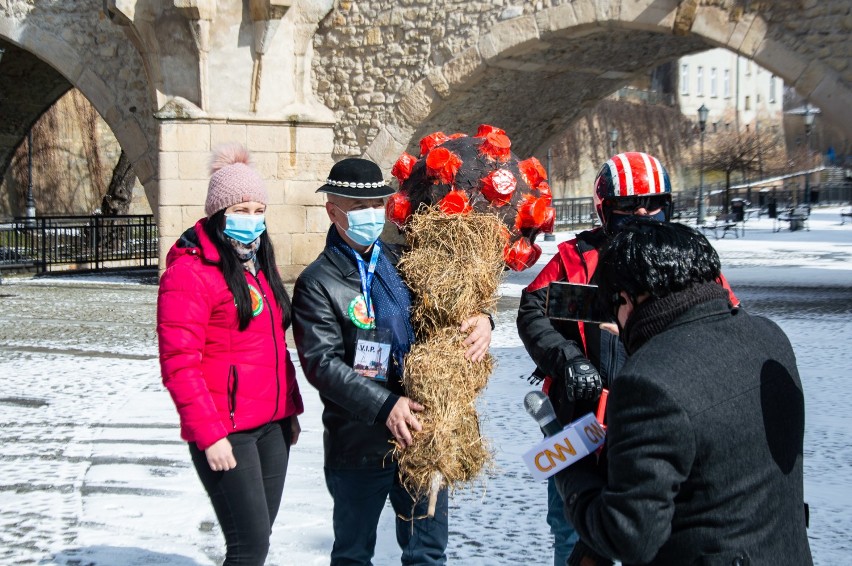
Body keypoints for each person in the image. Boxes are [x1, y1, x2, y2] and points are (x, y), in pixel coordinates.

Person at [516, 151, 738, 566]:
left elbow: (727, 316)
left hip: (665, 419)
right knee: (571, 529)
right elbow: (533, 309)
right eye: (628, 204)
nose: (641, 211)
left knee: (656, 528)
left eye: (652, 202)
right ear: (606, 208)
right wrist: (566, 361)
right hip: (582, 420)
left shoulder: (684, 257)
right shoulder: (577, 257)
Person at [555, 219, 813, 566]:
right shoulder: (769, 336)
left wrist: (571, 469)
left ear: (629, 300)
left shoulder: (647, 382)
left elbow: (629, 535)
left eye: (614, 307)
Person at [291, 157, 492, 566]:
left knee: (427, 553)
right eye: (358, 207)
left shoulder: (404, 262)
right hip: (360, 440)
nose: (370, 215)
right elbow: (322, 364)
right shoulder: (318, 281)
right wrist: (385, 405)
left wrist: (484, 319)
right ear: (333, 211)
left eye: (376, 205)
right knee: (353, 554)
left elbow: (449, 307)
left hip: (424, 430)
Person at [157, 144, 303, 566]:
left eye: (259, 209)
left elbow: (273, 345)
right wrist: (210, 434)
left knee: (259, 536)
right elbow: (179, 365)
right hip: (228, 429)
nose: (253, 219)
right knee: (249, 548)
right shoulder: (190, 272)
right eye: (242, 208)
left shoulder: (260, 265)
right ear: (219, 213)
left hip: (272, 426)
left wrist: (289, 409)